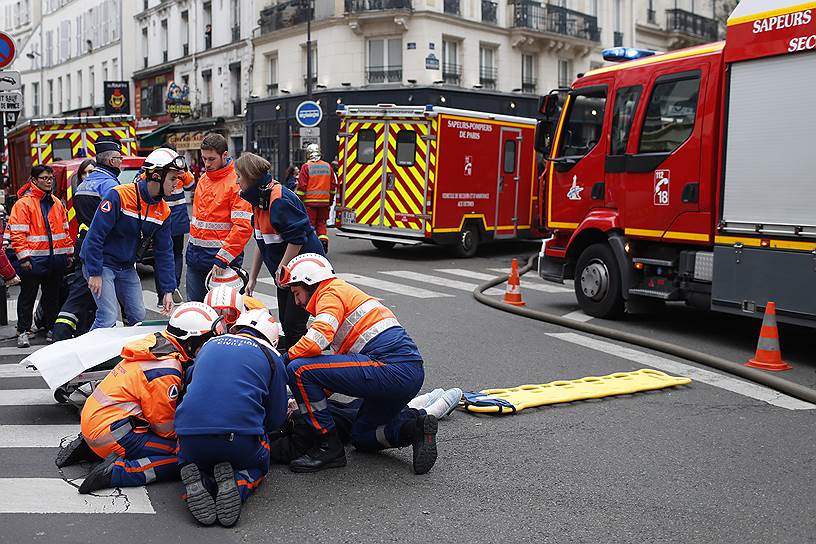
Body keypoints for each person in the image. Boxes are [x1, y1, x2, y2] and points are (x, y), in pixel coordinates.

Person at [280, 253, 439, 475]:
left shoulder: (330, 292)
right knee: (362, 436)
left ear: (310, 281)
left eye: (296, 293)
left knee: (298, 369)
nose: (297, 302)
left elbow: (317, 339)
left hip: (389, 368)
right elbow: (329, 377)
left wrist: (283, 359)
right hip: (407, 374)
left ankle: (328, 446)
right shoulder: (345, 297)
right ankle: (415, 429)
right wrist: (299, 401)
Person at [54, 303, 226, 494]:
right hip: (112, 433)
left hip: (97, 419)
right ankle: (118, 473)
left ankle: (90, 449)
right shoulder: (166, 371)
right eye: (206, 339)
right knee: (184, 454)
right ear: (190, 340)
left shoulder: (157, 343)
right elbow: (164, 428)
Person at [175, 309, 287, 527]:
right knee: (259, 462)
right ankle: (237, 484)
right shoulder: (272, 356)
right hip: (236, 439)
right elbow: (276, 417)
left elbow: (190, 386)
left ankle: (201, 481)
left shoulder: (209, 345)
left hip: (189, 436)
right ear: (272, 339)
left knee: (193, 458)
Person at [80, 148, 182, 329]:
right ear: (157, 176)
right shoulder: (119, 195)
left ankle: (132, 355)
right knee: (108, 316)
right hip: (102, 264)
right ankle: (90, 354)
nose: (177, 184)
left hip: (126, 267)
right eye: (173, 178)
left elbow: (164, 253)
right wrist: (94, 272)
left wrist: (167, 290)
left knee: (138, 316)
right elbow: (95, 236)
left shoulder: (164, 210)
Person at [234, 152, 325, 352]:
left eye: (239, 176)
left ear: (250, 177)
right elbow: (261, 241)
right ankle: (296, 361)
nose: (237, 181)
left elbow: (297, 238)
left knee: (294, 325)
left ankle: (301, 366)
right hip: (287, 274)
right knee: (286, 322)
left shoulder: (278, 200)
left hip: (305, 273)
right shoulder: (259, 201)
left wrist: (281, 268)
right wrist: (253, 278)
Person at [8, 165, 74, 347]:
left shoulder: (57, 203)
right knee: (27, 297)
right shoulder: (23, 204)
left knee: (52, 297)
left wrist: (68, 253)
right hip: (33, 261)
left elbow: (65, 231)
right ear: (34, 180)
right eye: (44, 178)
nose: (48, 181)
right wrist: (24, 258)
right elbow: (18, 234)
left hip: (55, 260)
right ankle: (23, 331)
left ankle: (51, 329)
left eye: (51, 178)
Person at [185, 133, 252, 303]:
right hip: (196, 257)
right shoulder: (203, 179)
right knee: (196, 311)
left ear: (225, 155)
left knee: (223, 311)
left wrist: (223, 259)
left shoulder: (236, 182)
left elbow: (242, 227)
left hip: (222, 261)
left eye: (211, 159)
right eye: (204, 159)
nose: (206, 164)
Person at [52, 159, 98, 341]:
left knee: (91, 300)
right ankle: (60, 337)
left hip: (87, 249)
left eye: (91, 172)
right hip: (87, 250)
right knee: (79, 296)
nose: (88, 177)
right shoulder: (82, 195)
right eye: (84, 173)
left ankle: (83, 335)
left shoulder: (82, 193)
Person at [152, 144, 192, 305]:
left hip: (160, 217)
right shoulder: (180, 172)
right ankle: (173, 285)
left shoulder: (156, 170)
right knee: (176, 254)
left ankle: (162, 293)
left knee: (160, 255)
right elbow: (190, 184)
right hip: (178, 218)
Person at [296, 144, 337, 253]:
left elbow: (302, 187)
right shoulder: (328, 166)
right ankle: (323, 243)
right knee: (321, 224)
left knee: (309, 225)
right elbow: (333, 186)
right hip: (324, 202)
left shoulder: (306, 167)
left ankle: (309, 247)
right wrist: (330, 200)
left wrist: (299, 201)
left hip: (310, 203)